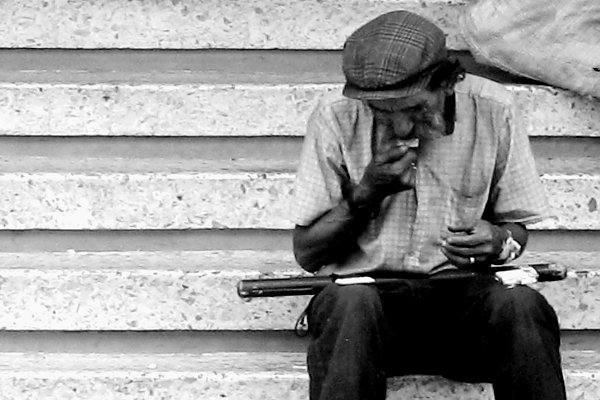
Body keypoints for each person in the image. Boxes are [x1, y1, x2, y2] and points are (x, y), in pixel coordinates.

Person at [290, 10, 566, 400]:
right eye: (383, 113)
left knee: (522, 305)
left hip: (463, 308)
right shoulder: (335, 117)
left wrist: (501, 241)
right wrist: (367, 194)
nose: (402, 128)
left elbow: (516, 232)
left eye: (416, 109)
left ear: (450, 81)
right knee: (348, 302)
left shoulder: (494, 108)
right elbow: (306, 252)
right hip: (369, 318)